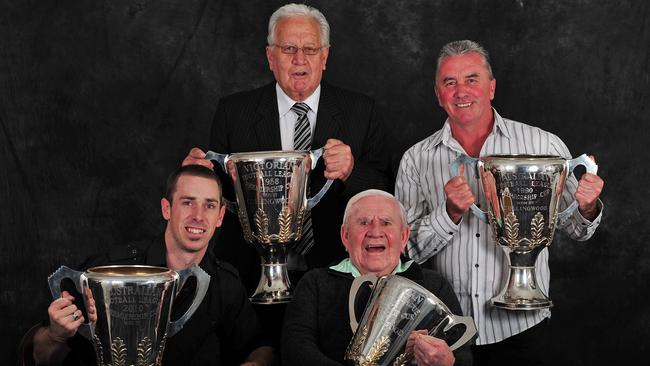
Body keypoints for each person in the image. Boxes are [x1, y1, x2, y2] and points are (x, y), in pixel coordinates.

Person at [394, 40, 605, 365]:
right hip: (449, 334)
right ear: (438, 94)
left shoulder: (542, 144)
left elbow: (578, 230)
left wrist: (588, 206)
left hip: (523, 327)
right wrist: (448, 214)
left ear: (491, 88)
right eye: (449, 82)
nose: (461, 91)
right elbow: (404, 252)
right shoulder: (415, 160)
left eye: (472, 79)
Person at [182, 3, 390, 293]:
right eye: (288, 49)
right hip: (248, 277)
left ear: (325, 56)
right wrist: (195, 176)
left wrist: (351, 171)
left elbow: (386, 191)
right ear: (270, 56)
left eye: (310, 49)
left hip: (338, 276)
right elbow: (219, 197)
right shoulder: (234, 112)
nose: (299, 59)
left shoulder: (362, 111)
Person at [31, 165, 276, 366]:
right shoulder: (108, 270)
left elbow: (260, 348)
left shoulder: (225, 284)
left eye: (209, 205)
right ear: (166, 208)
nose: (199, 216)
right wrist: (55, 335)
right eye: (188, 202)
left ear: (220, 216)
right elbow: (39, 356)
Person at [281, 189, 473, 366]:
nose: (375, 231)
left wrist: (447, 361)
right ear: (345, 236)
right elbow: (295, 349)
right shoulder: (315, 283)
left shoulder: (434, 284)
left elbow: (464, 357)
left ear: (404, 236)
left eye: (386, 222)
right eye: (363, 222)